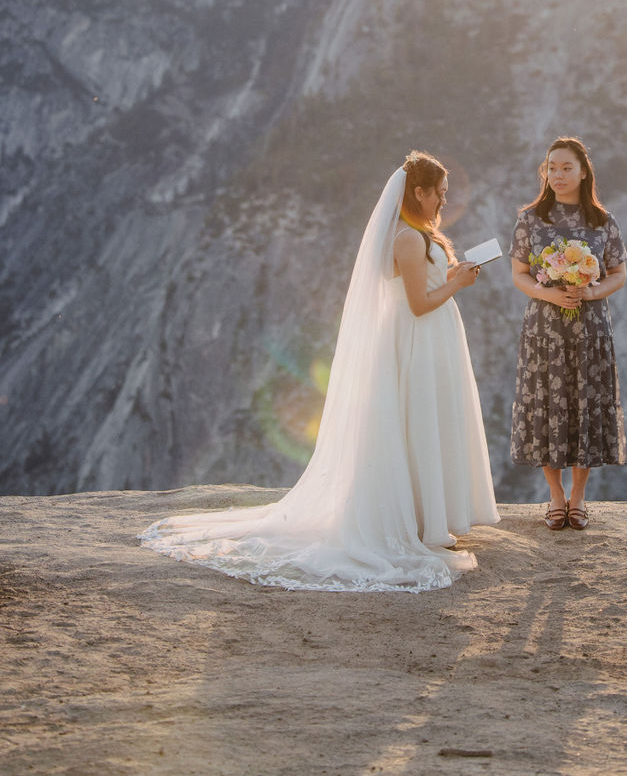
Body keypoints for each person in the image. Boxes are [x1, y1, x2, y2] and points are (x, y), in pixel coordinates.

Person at [140, 151, 499, 591]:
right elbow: (419, 304)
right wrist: (457, 283)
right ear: (418, 192)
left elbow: (427, 292)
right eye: (438, 194)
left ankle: (430, 516)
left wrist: (454, 275)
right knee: (418, 422)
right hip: (417, 341)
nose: (443, 202)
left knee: (428, 423)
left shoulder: (424, 235)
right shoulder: (408, 239)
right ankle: (424, 523)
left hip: (433, 341)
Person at [509, 136, 627, 531]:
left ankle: (578, 497)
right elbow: (519, 274)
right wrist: (548, 293)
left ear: (582, 172)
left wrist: (590, 290)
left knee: (583, 406)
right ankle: (554, 495)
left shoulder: (602, 221)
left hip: (590, 328)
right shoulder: (530, 219)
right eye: (551, 167)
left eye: (566, 168)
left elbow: (619, 273)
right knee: (546, 404)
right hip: (544, 329)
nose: (558, 175)